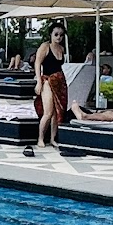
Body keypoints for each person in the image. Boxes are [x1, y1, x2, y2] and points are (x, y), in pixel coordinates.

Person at [30, 22, 69, 154]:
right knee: (48, 112)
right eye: (56, 34)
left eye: (61, 35)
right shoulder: (45, 47)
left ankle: (52, 138)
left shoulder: (62, 49)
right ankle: (40, 138)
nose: (59, 37)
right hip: (47, 80)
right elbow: (37, 63)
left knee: (57, 112)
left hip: (59, 81)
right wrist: (38, 81)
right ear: (51, 35)